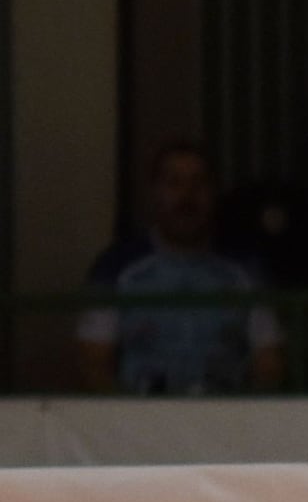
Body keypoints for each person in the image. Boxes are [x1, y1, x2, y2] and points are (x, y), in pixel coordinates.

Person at [76, 142, 286, 397]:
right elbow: (93, 363)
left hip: (226, 419)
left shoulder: (246, 268)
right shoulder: (116, 266)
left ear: (214, 191)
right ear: (154, 192)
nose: (187, 196)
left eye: (199, 183)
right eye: (174, 183)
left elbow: (269, 363)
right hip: (139, 419)